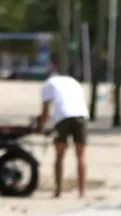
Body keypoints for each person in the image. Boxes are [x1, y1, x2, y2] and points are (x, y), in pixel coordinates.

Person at [36, 65, 90, 198]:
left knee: (59, 155)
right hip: (81, 115)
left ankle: (58, 191)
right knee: (81, 156)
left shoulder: (48, 85)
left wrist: (40, 128)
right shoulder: (72, 81)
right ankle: (82, 192)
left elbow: (45, 113)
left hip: (62, 118)